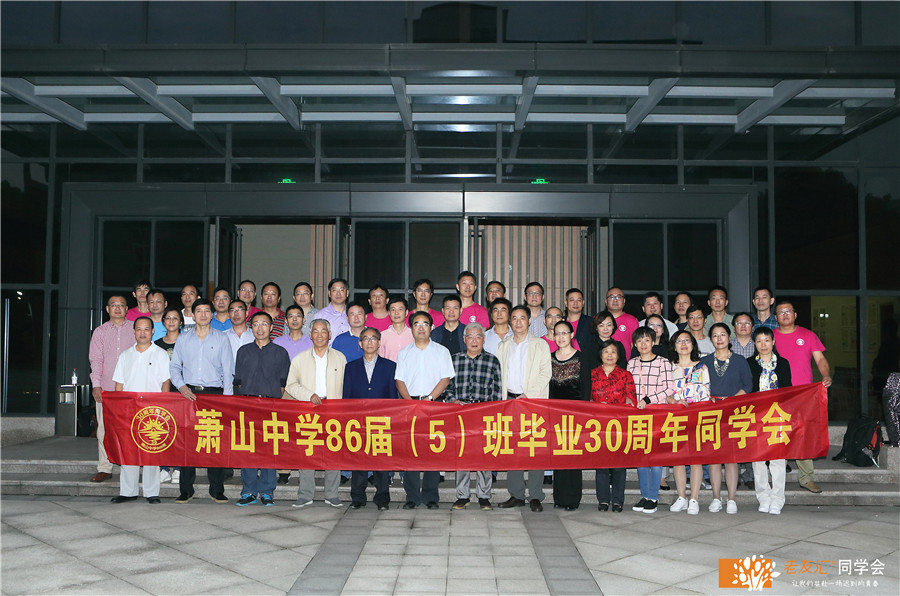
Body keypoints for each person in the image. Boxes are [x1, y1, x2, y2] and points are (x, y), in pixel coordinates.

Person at [169, 298, 234, 504]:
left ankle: (217, 489)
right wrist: (181, 386)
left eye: (207, 311)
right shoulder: (183, 339)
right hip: (189, 394)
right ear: (193, 314)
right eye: (199, 311)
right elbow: (174, 367)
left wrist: (227, 401)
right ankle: (186, 490)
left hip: (214, 395)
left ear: (212, 314)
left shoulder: (222, 338)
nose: (203, 315)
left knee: (214, 442)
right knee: (187, 442)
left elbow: (228, 371)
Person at [395, 311, 455, 509]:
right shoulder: (404, 352)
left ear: (431, 327)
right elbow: (399, 380)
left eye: (425, 324)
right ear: (411, 328)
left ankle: (430, 497)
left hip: (434, 405)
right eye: (416, 324)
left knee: (433, 451)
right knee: (410, 451)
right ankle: (412, 497)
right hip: (410, 405)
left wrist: (429, 399)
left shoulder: (441, 351)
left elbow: (445, 379)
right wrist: (409, 402)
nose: (421, 328)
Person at [284, 319, 347, 508]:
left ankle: (332, 494)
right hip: (308, 409)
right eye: (316, 331)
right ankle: (305, 495)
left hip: (333, 410)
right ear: (310, 335)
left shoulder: (340, 358)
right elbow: (290, 385)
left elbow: (346, 384)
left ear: (330, 335)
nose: (319, 335)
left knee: (333, 451)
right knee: (307, 451)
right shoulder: (300, 358)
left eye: (323, 331)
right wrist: (308, 396)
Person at [496, 305, 552, 512]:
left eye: (522, 318)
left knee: (535, 448)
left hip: (533, 401)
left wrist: (528, 395)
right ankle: (516, 494)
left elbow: (545, 373)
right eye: (514, 318)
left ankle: (535, 495)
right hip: (509, 402)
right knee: (513, 449)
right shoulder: (503, 345)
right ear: (510, 322)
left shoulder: (540, 345)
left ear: (529, 321)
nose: (518, 322)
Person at [773, 300, 832, 494]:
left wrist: (825, 375)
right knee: (778, 435)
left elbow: (820, 359)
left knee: (803, 436)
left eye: (788, 311)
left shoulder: (808, 335)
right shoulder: (770, 337)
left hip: (803, 395)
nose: (785, 314)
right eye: (781, 312)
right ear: (776, 317)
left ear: (795, 314)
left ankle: (806, 478)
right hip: (778, 395)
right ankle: (777, 479)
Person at [234, 312, 291, 507]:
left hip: (271, 406)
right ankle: (248, 491)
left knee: (269, 450)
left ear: (271, 327)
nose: (260, 328)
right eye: (256, 324)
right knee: (248, 449)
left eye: (264, 324)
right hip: (248, 406)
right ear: (251, 327)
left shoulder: (280, 352)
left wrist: (271, 400)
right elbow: (238, 381)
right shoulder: (243, 351)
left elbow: (284, 382)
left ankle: (267, 492)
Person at [110, 316, 169, 504]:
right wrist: (118, 408)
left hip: (153, 410)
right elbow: (119, 384)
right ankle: (128, 491)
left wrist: (163, 405)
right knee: (128, 450)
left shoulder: (160, 354)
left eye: (146, 329)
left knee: (151, 450)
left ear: (153, 331)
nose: (142, 333)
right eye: (139, 329)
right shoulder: (125, 355)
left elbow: (165, 382)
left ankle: (151, 492)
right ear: (134, 331)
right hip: (129, 409)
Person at [446, 322, 502, 512]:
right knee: (462, 454)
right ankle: (462, 495)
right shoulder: (454, 360)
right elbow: (447, 386)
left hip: (484, 413)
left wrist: (493, 413)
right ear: (464, 339)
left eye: (478, 336)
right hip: (461, 413)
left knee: (483, 455)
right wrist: (453, 401)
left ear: (484, 339)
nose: (474, 340)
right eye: (470, 336)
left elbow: (497, 390)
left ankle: (484, 496)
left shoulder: (492, 361)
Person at [700, 323, 753, 514]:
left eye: (722, 335)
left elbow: (748, 385)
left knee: (731, 458)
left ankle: (731, 499)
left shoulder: (740, 360)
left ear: (729, 337)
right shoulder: (704, 361)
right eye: (715, 335)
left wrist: (730, 402)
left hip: (733, 413)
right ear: (711, 339)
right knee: (714, 458)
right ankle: (716, 497)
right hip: (711, 413)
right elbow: (699, 387)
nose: (719, 339)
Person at [343, 327, 398, 510]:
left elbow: (392, 397)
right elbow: (347, 397)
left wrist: (391, 420)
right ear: (360, 344)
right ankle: (358, 498)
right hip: (358, 423)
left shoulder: (390, 366)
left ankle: (382, 499)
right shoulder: (350, 367)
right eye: (365, 339)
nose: (369, 342)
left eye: (373, 338)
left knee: (381, 462)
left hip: (381, 422)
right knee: (359, 461)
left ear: (379, 342)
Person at [88, 295, 135, 483]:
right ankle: (105, 468)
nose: (117, 308)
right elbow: (95, 361)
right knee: (104, 431)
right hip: (106, 389)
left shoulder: (135, 329)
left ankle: (129, 466)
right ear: (107, 309)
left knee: (129, 429)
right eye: (113, 305)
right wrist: (96, 385)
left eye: (121, 305)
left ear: (126, 309)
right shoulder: (100, 332)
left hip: (131, 390)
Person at [627, 326, 674, 514]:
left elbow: (669, 388)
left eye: (647, 340)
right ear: (634, 344)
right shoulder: (631, 363)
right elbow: (629, 388)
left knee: (655, 458)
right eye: (639, 341)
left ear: (653, 342)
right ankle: (644, 496)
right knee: (641, 458)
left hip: (657, 414)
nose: (643, 344)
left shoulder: (663, 362)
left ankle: (653, 497)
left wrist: (647, 400)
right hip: (637, 416)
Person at [748, 326, 793, 515]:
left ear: (773, 342)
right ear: (755, 344)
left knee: (777, 460)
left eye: (766, 340)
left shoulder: (782, 363)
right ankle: (763, 497)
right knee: (758, 460)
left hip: (777, 416)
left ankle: (777, 499)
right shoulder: (749, 363)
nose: (763, 344)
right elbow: (748, 390)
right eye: (759, 341)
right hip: (756, 417)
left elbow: (788, 389)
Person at [666, 331, 711, 515]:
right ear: (674, 345)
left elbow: (706, 394)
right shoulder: (669, 367)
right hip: (675, 418)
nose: (683, 344)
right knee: (678, 459)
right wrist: (674, 401)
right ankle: (681, 497)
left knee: (695, 459)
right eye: (679, 341)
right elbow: (665, 393)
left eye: (687, 340)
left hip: (696, 418)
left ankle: (694, 498)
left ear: (693, 344)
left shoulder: (702, 367)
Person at [549, 320, 591, 511]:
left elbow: (586, 388)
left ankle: (573, 498)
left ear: (572, 335)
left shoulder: (582, 358)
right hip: (555, 414)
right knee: (558, 455)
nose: (561, 337)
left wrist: (583, 413)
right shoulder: (549, 358)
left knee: (573, 455)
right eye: (557, 333)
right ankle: (559, 497)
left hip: (575, 414)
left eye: (564, 333)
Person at [591, 339, 636, 513]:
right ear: (600, 354)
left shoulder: (625, 375)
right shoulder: (592, 374)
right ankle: (603, 500)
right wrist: (597, 406)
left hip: (619, 425)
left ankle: (618, 501)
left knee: (619, 465)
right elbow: (587, 400)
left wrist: (622, 405)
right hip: (598, 425)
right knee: (601, 464)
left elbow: (631, 399)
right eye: (606, 351)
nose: (609, 355)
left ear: (618, 356)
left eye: (613, 352)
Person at [154, 307, 183, 484]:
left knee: (180, 432)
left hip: (182, 393)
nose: (171, 321)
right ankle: (163, 468)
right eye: (168, 318)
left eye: (175, 318)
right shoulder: (156, 345)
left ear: (181, 322)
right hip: (161, 393)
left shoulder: (187, 342)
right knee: (162, 431)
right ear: (163, 322)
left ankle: (179, 468)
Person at [378, 297, 414, 361]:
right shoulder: (382, 335)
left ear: (406, 312)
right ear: (389, 313)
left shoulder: (413, 334)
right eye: (393, 310)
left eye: (400, 309)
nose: (396, 313)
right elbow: (380, 359)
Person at [606, 287, 639, 353]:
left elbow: (635, 345)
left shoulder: (632, 320)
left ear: (624, 301)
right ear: (606, 301)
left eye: (619, 297)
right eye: (611, 297)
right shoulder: (598, 319)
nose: (615, 300)